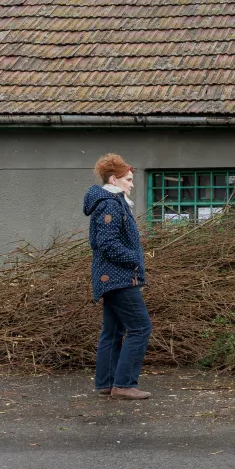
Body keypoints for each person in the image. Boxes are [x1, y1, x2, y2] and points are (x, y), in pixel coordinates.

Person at [83, 153, 152, 400]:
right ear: (114, 179)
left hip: (111, 278)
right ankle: (124, 385)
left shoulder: (111, 202)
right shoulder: (111, 204)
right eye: (129, 179)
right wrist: (134, 258)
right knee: (140, 327)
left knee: (112, 330)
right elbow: (106, 242)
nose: (132, 184)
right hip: (118, 278)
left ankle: (107, 383)